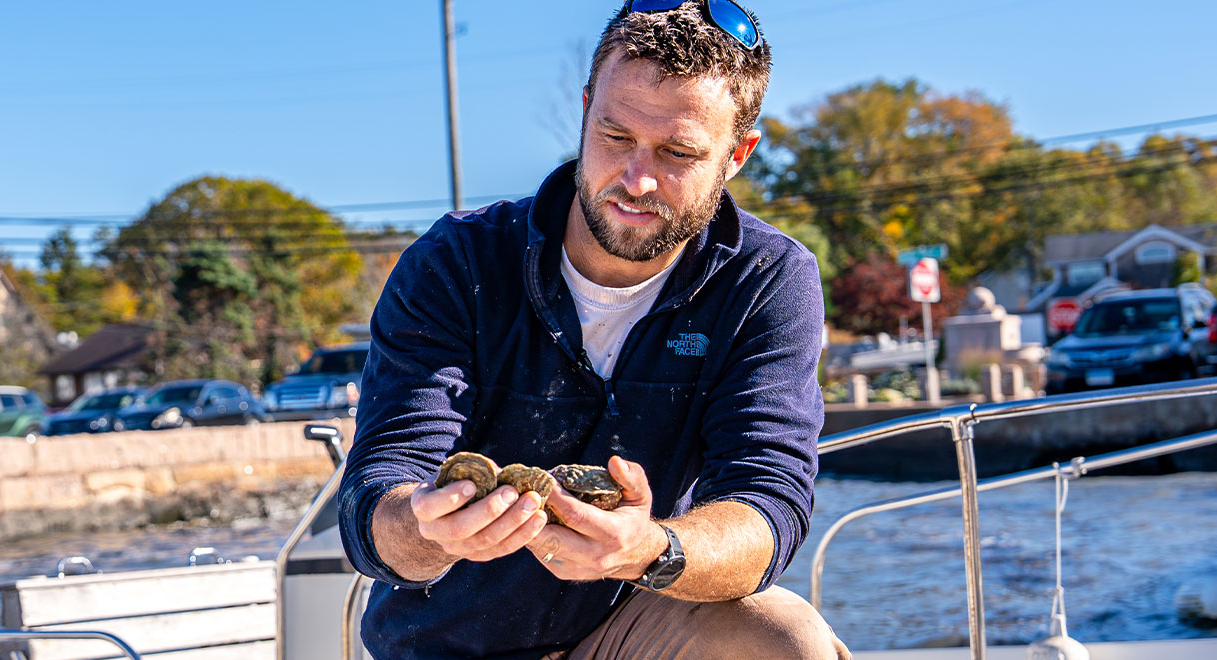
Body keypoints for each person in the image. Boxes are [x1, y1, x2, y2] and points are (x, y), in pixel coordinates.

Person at [338, 1, 849, 658]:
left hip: (632, 625)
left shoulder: (766, 280)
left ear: (737, 154)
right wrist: (425, 527)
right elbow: (378, 492)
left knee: (786, 639)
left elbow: (765, 501)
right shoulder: (456, 261)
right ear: (584, 111)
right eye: (614, 136)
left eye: (678, 152)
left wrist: (649, 550)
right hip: (446, 645)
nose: (636, 180)